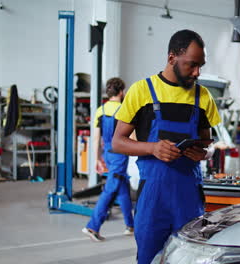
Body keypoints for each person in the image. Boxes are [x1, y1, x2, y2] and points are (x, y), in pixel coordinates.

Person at [112, 30, 221, 263]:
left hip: (189, 198)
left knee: (190, 258)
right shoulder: (141, 91)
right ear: (172, 58)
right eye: (192, 65)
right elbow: (118, 142)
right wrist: (152, 149)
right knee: (148, 258)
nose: (197, 72)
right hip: (153, 199)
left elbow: (208, 144)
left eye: (200, 65)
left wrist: (204, 153)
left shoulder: (203, 96)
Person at [82, 77, 134, 242]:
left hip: (108, 153)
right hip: (120, 153)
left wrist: (96, 159)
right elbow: (132, 135)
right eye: (123, 90)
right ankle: (92, 226)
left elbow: (96, 138)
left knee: (123, 186)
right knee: (111, 188)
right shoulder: (124, 109)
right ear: (120, 92)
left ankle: (130, 226)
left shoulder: (101, 110)